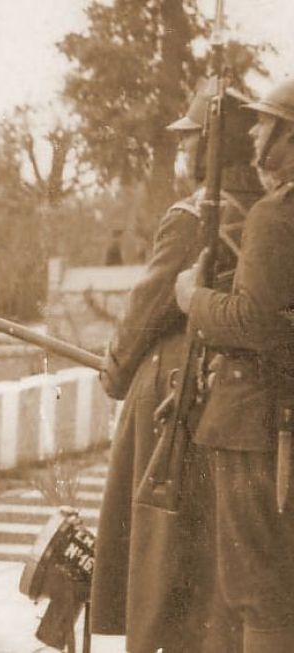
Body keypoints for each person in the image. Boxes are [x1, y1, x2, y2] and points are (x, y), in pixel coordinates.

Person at [90, 83, 262, 653]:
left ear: (211, 146)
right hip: (242, 407)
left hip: (177, 398)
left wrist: (115, 374)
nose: (183, 149)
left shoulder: (192, 218)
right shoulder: (273, 210)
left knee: (165, 549)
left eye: (190, 139)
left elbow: (145, 310)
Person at [175, 78, 294, 653]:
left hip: (258, 422)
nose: (253, 133)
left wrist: (192, 299)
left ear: (290, 137)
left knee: (258, 588)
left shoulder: (276, 214)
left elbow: (254, 323)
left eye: (267, 123)